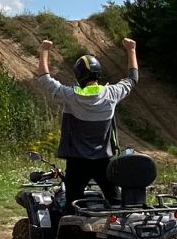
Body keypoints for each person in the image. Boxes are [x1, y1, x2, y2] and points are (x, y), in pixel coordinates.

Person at [37, 38, 139, 210]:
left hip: (77, 162)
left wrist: (44, 51)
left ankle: (69, 236)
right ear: (99, 74)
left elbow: (44, 78)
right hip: (104, 161)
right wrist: (131, 49)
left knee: (72, 206)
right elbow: (132, 78)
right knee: (116, 204)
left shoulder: (71, 96)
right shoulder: (112, 93)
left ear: (78, 76)